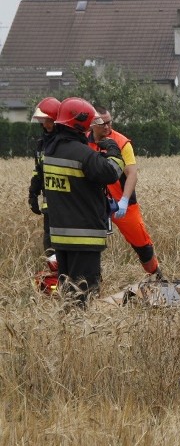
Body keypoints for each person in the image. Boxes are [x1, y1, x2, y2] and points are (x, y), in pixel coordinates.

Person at [42, 97, 124, 304]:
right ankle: (79, 333)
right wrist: (113, 151)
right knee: (83, 295)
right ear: (80, 123)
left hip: (60, 237)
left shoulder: (51, 152)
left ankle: (68, 332)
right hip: (84, 237)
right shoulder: (83, 154)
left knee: (67, 293)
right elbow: (111, 173)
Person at [88, 107, 161, 277]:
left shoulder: (121, 142)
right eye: (102, 123)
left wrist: (124, 200)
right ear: (92, 124)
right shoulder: (83, 141)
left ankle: (156, 274)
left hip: (121, 203)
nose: (107, 127)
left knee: (142, 243)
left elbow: (132, 174)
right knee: (89, 244)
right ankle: (92, 280)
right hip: (94, 203)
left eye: (109, 122)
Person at [29, 97, 60, 253]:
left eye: (50, 121)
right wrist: (33, 194)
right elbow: (38, 171)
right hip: (49, 204)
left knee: (63, 242)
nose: (46, 125)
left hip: (66, 203)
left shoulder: (65, 142)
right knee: (49, 241)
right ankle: (53, 273)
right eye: (44, 121)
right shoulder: (42, 143)